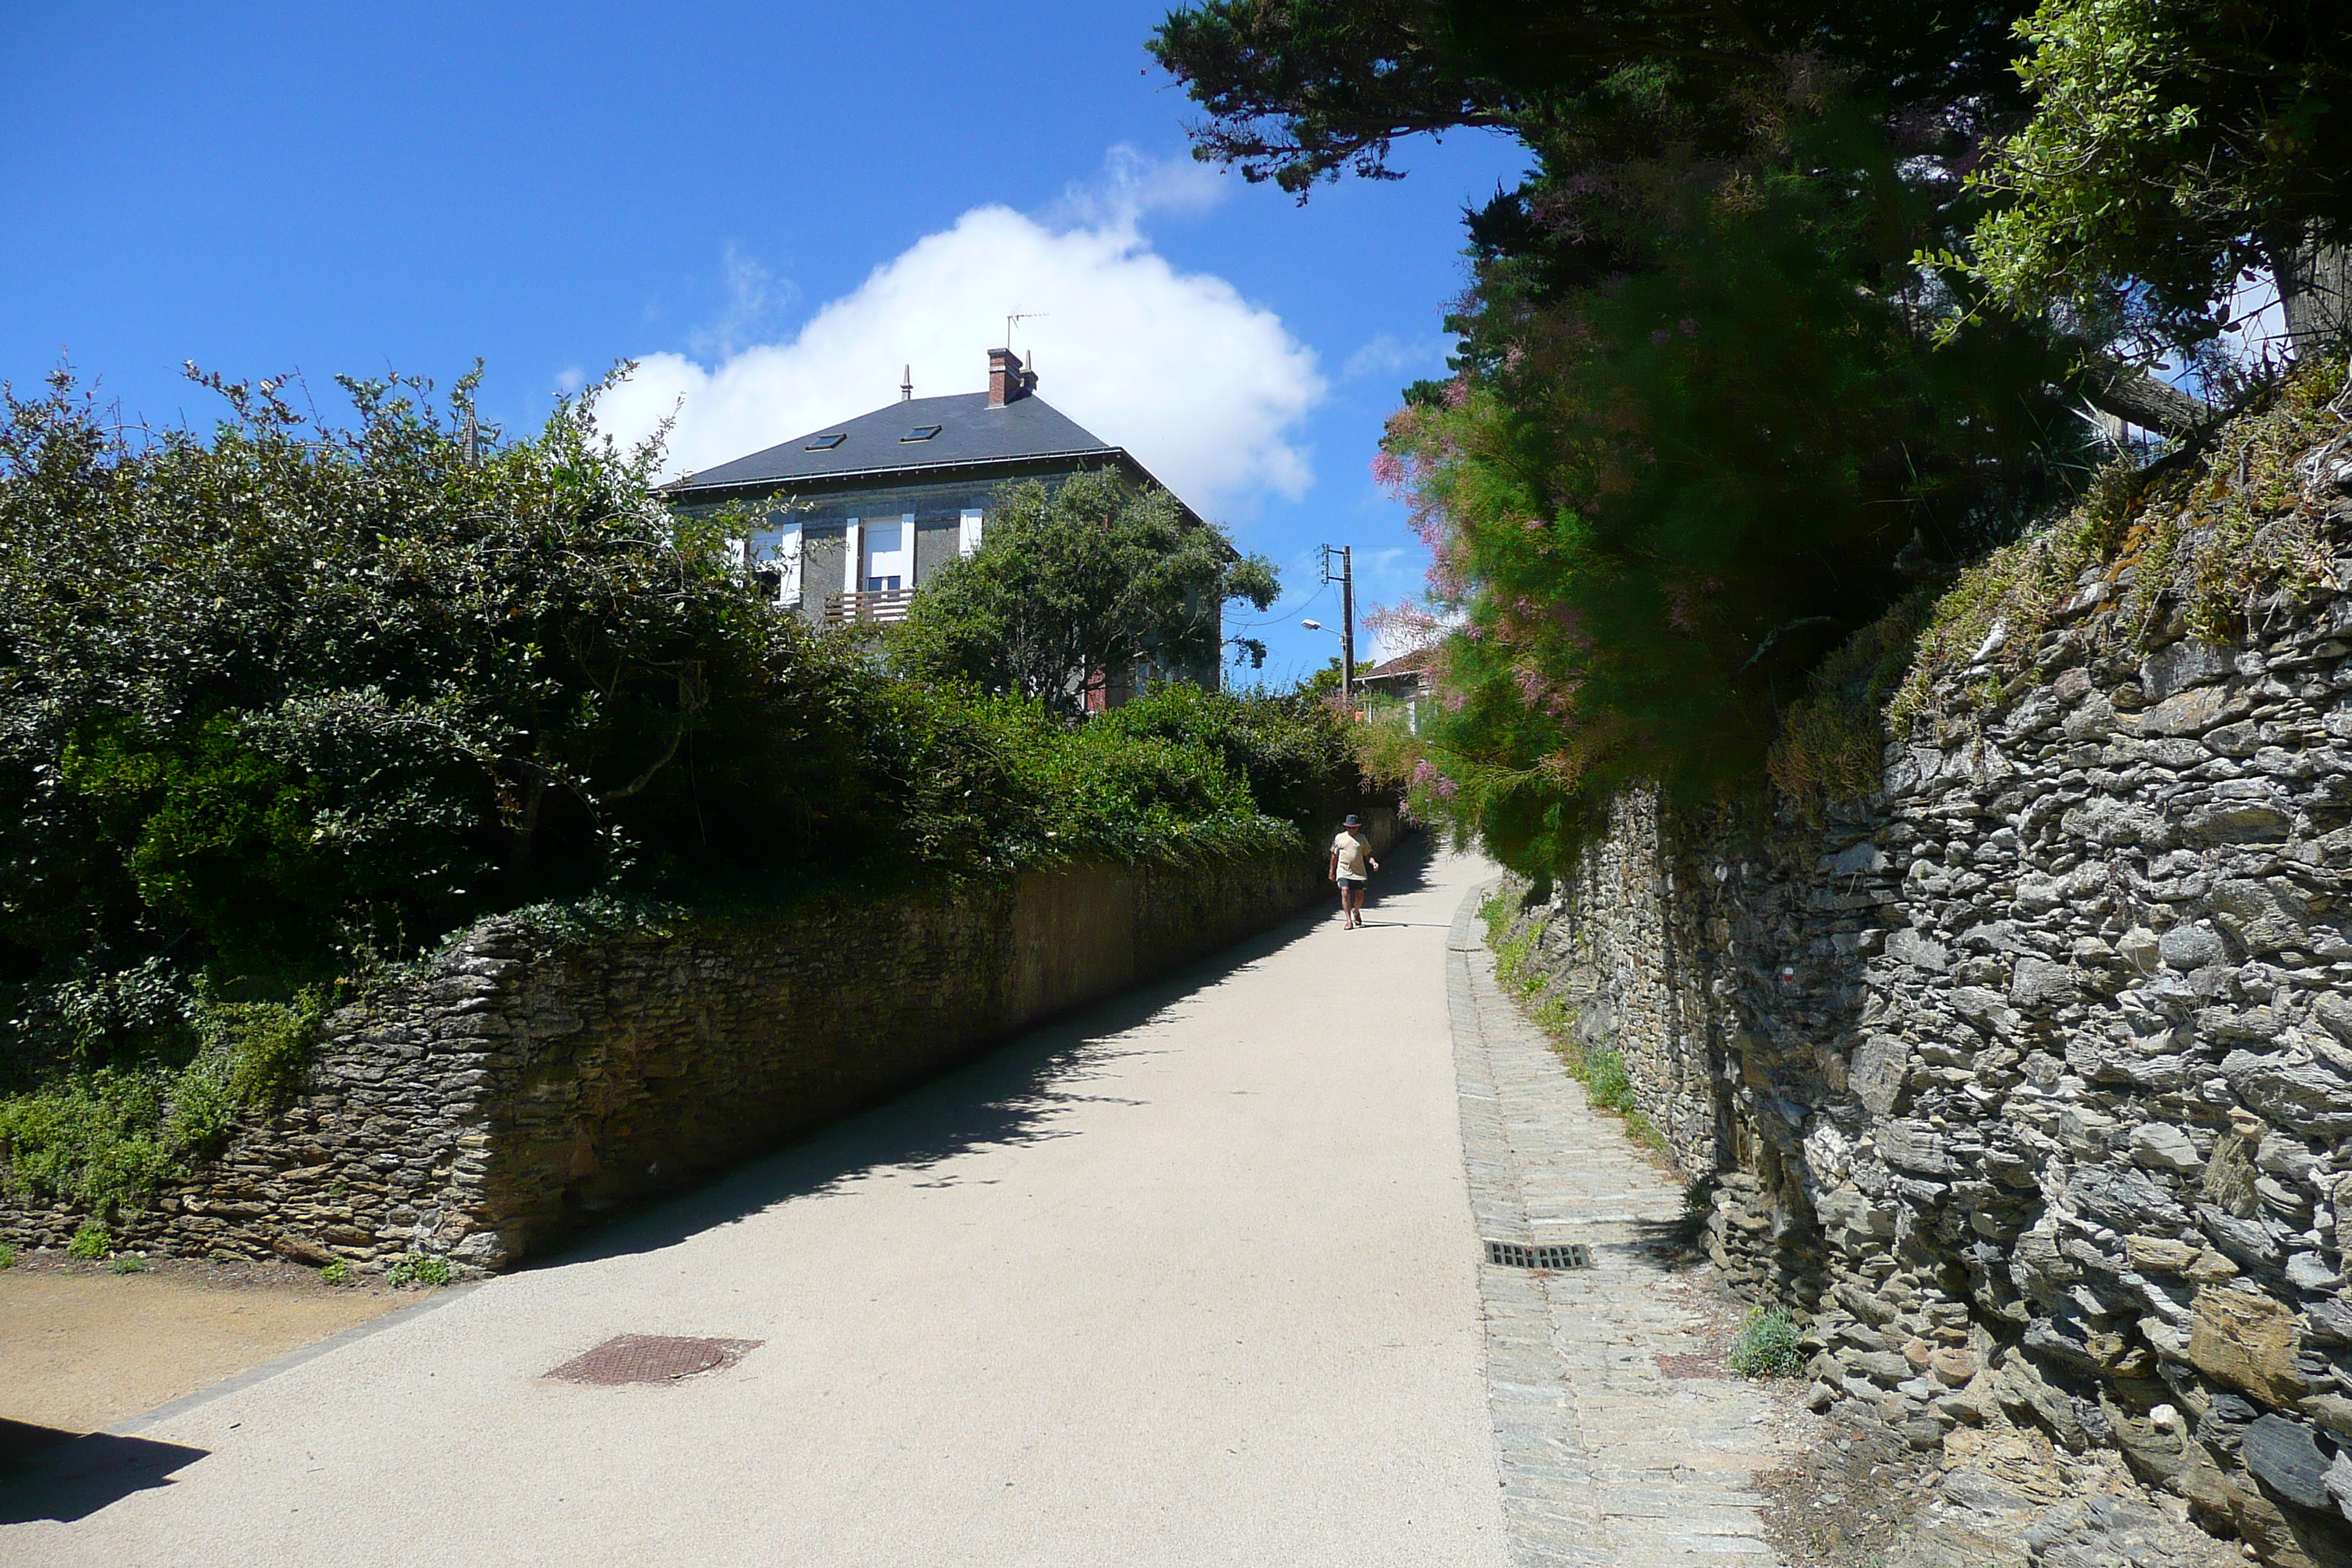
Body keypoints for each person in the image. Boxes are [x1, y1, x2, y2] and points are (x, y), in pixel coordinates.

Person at [1328, 813, 1380, 929]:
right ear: (1346, 827)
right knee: (1345, 891)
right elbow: (1334, 856)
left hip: (1359, 872)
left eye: (1354, 827)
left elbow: (1368, 854)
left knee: (1360, 896)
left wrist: (1373, 863)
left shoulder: (1362, 839)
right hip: (1343, 871)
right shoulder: (1339, 838)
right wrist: (1332, 871)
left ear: (1358, 827)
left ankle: (1356, 910)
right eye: (1349, 827)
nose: (1352, 830)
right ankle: (1349, 921)